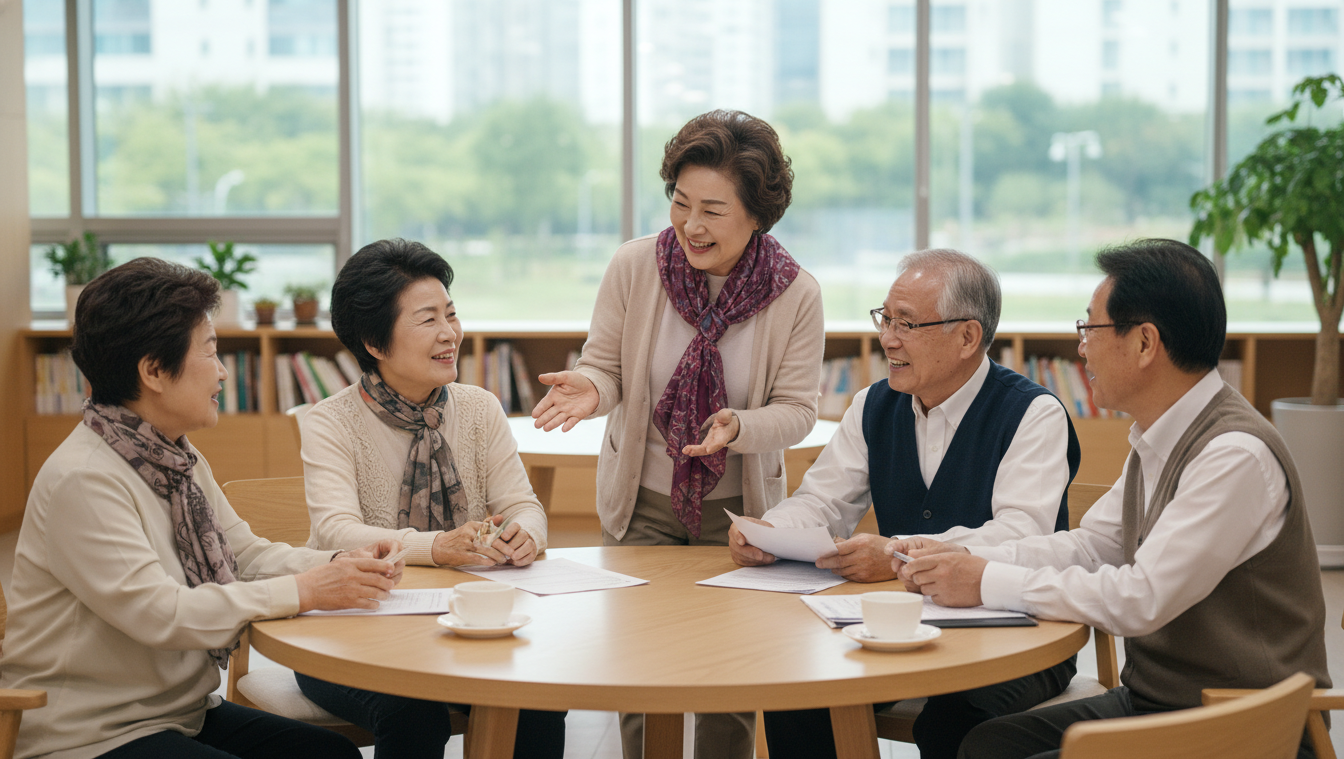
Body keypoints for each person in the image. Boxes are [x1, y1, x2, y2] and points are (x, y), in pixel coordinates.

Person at [892, 239, 1331, 759]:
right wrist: (970, 559)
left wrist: (987, 580)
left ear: (1145, 343)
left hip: (1246, 722)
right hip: (1161, 703)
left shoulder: (1234, 455)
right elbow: (1092, 545)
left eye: (1090, 329)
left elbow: (1140, 599)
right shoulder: (1156, 438)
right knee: (988, 744)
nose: (1081, 348)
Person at [0, 258, 404, 759]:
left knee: (330, 754)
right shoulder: (84, 479)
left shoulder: (173, 455)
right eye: (210, 352)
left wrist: (340, 565)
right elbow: (162, 613)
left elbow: (245, 556)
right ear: (152, 370)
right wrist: (304, 590)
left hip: (177, 714)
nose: (221, 371)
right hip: (86, 734)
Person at [530, 109, 825, 759]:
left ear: (757, 214)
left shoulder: (796, 294)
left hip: (738, 513)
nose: (691, 224)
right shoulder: (637, 266)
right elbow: (605, 365)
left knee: (731, 678)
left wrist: (740, 426)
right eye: (680, 202)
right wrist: (592, 387)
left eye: (714, 210)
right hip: (642, 505)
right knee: (639, 670)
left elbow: (799, 409)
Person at [730, 249, 1081, 759]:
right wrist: (770, 532)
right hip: (899, 623)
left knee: (957, 718)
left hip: (1017, 630)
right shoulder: (873, 404)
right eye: (886, 318)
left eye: (908, 324)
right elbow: (823, 499)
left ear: (967, 337)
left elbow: (1021, 535)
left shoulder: (1033, 414)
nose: (888, 338)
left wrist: (896, 555)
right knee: (801, 692)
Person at [297, 238, 565, 759]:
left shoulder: (480, 407)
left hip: (461, 621)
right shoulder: (331, 421)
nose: (450, 334)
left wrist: (523, 535)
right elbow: (337, 531)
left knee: (538, 693)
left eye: (452, 313)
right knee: (412, 710)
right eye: (427, 321)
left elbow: (523, 505)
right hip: (348, 630)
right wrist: (437, 546)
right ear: (374, 342)